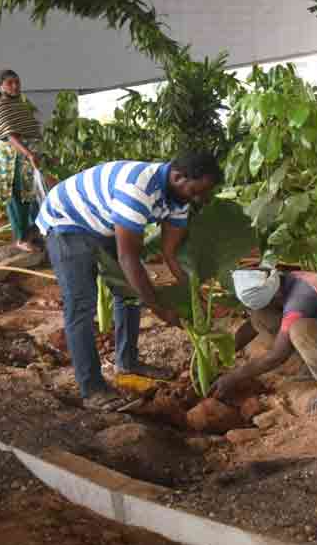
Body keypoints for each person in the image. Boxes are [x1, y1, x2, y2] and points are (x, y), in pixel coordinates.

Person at [37, 153, 221, 411]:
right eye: (196, 191)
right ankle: (92, 389)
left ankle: (128, 362)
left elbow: (169, 253)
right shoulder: (138, 188)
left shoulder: (180, 196)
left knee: (129, 293)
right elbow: (128, 258)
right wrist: (159, 309)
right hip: (67, 220)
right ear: (178, 177)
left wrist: (193, 295)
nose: (199, 198)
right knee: (81, 303)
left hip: (105, 221)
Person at [211, 268, 317, 414]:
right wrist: (226, 352)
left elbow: (277, 355)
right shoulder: (282, 281)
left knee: (299, 331)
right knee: (261, 317)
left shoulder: (300, 299)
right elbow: (252, 325)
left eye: (269, 303)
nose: (268, 307)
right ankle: (313, 365)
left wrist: (234, 377)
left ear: (276, 296)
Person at [0, 69, 44, 252]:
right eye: (10, 83)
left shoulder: (21, 105)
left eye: (17, 82)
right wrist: (29, 154)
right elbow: (10, 135)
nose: (15, 86)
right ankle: (21, 239)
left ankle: (33, 232)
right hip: (10, 158)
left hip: (26, 156)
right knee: (17, 198)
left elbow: (32, 130)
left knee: (32, 195)